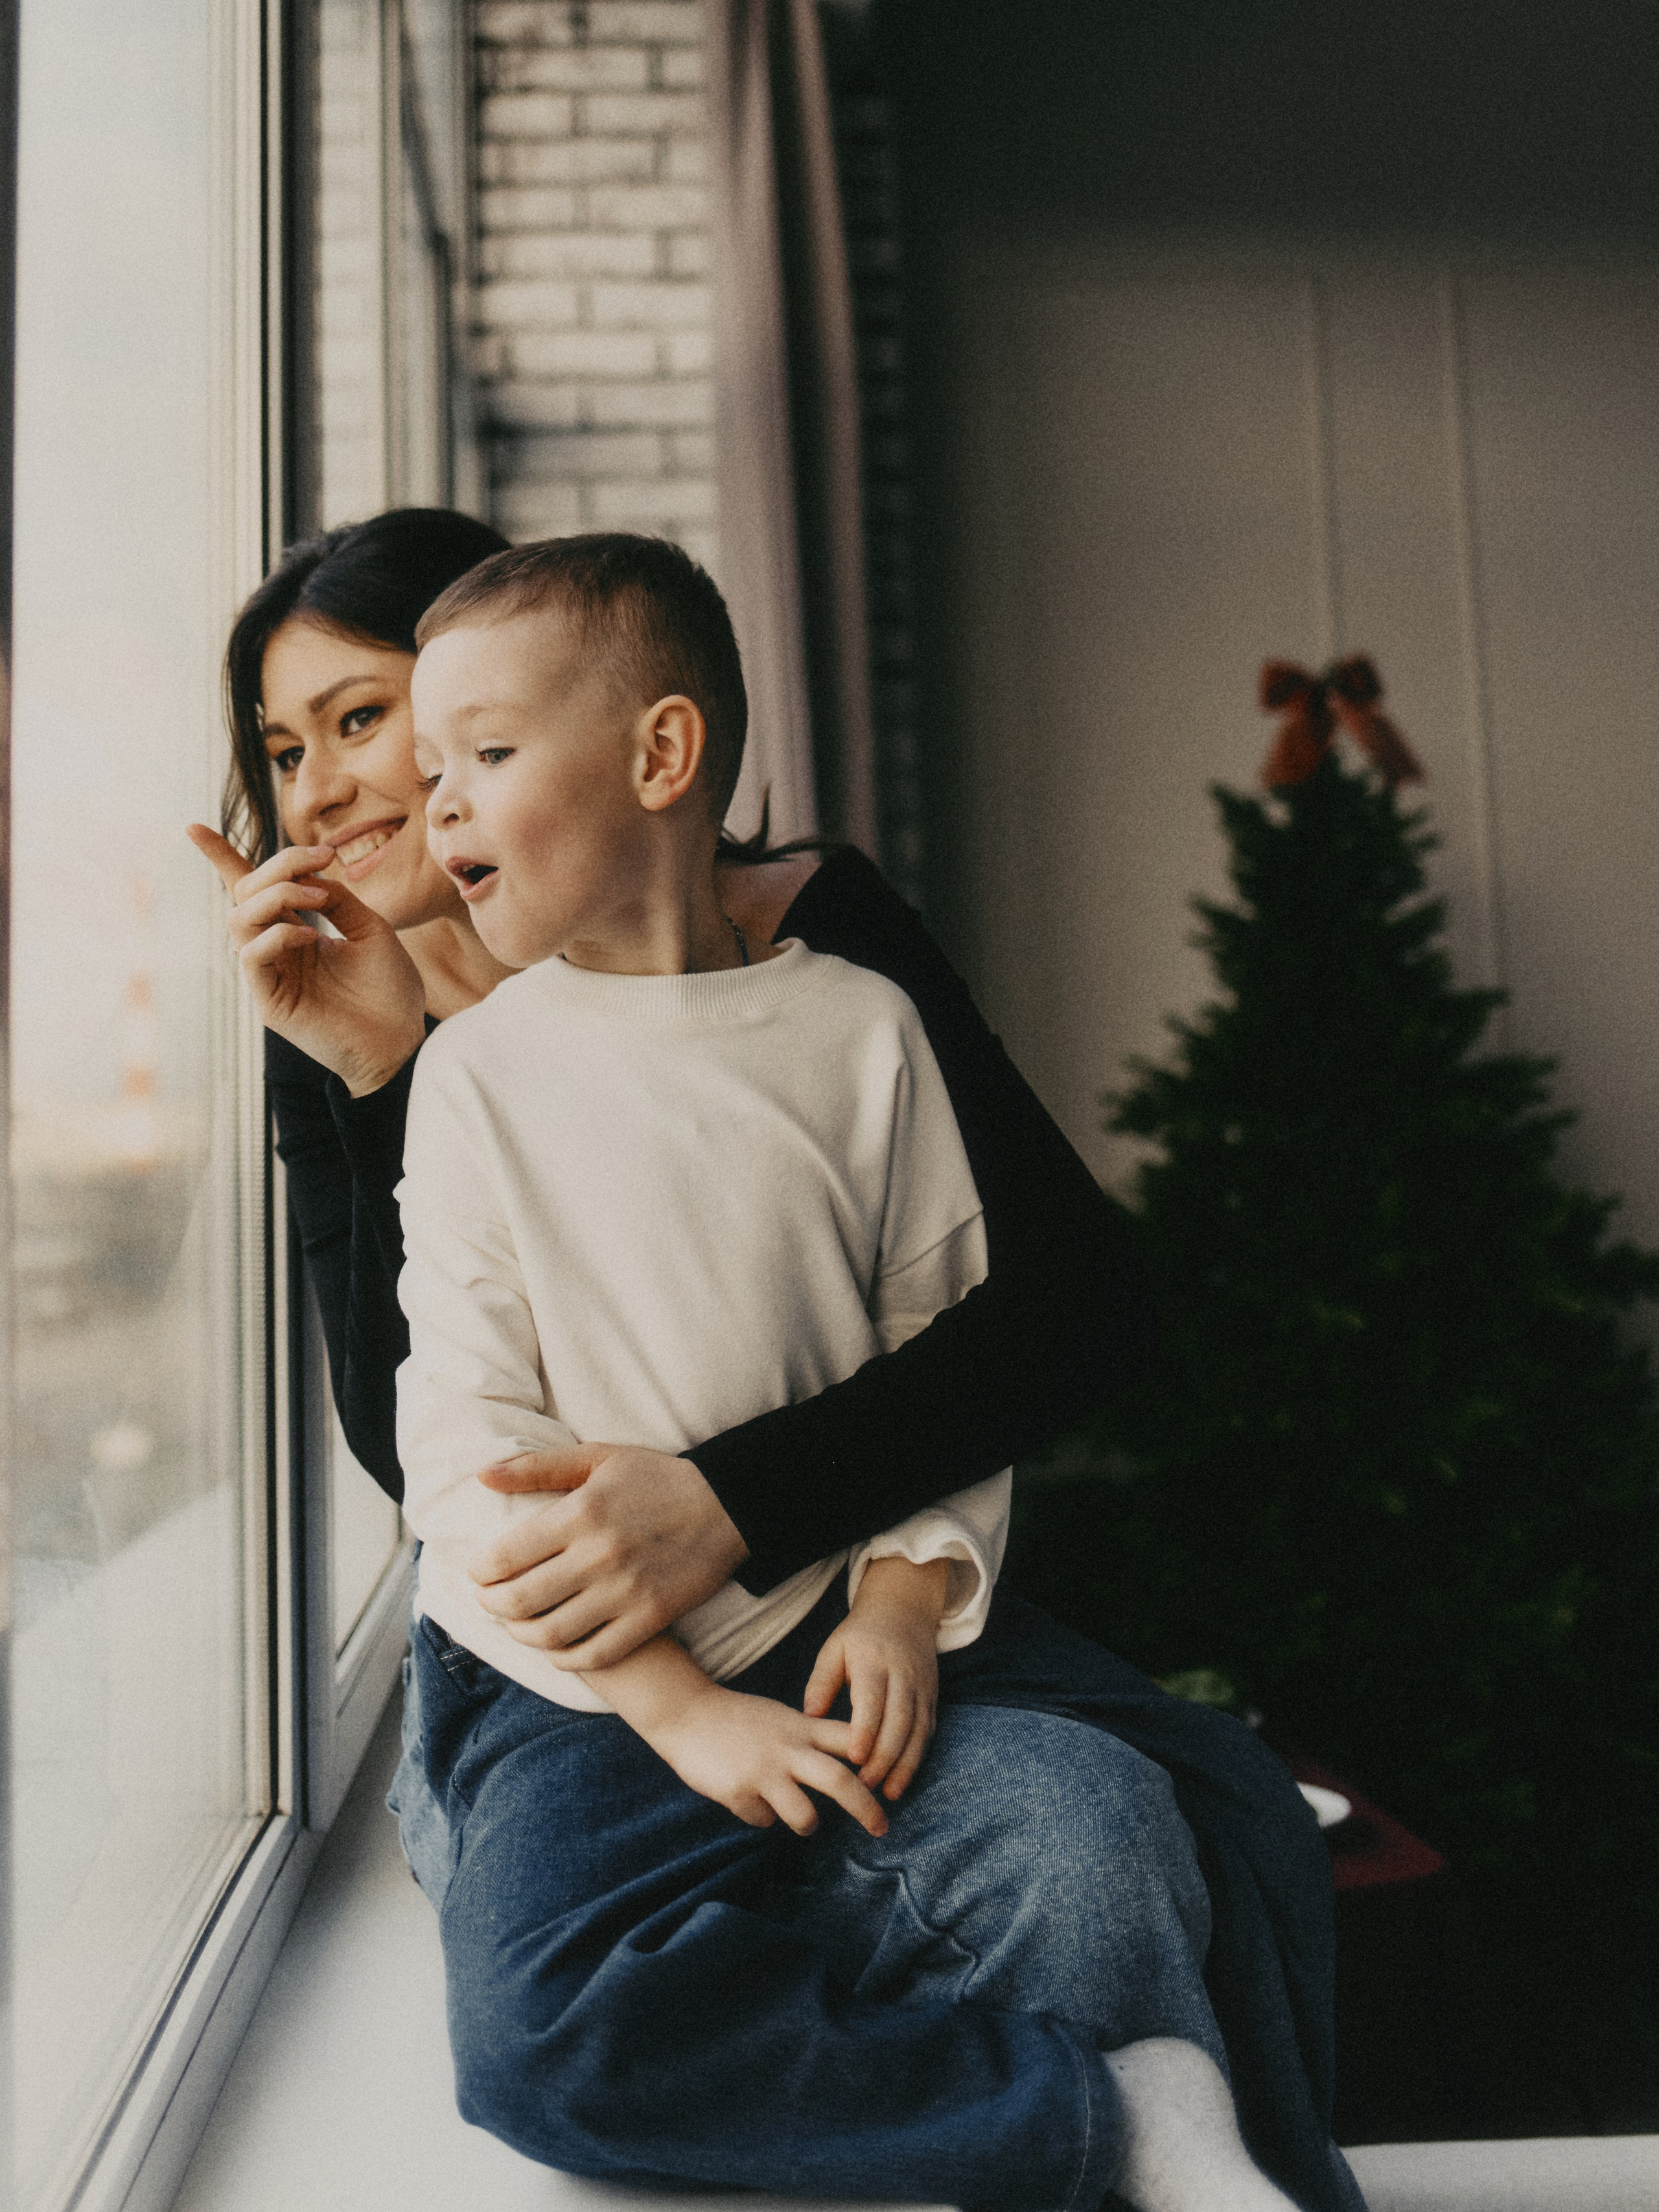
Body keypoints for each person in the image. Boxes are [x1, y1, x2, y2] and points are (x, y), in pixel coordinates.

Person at [189, 507, 1365, 2212]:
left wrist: (792, 1537)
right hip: (577, 1671)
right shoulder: (385, 1040)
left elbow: (1047, 1308)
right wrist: (378, 1077)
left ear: (637, 743)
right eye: (286, 749)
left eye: (373, 722)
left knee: (1159, 1824)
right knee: (569, 2017)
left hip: (839, 1603)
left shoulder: (829, 987)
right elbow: (425, 1444)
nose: (338, 789)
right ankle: (1081, 2122)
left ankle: (1205, 2153)